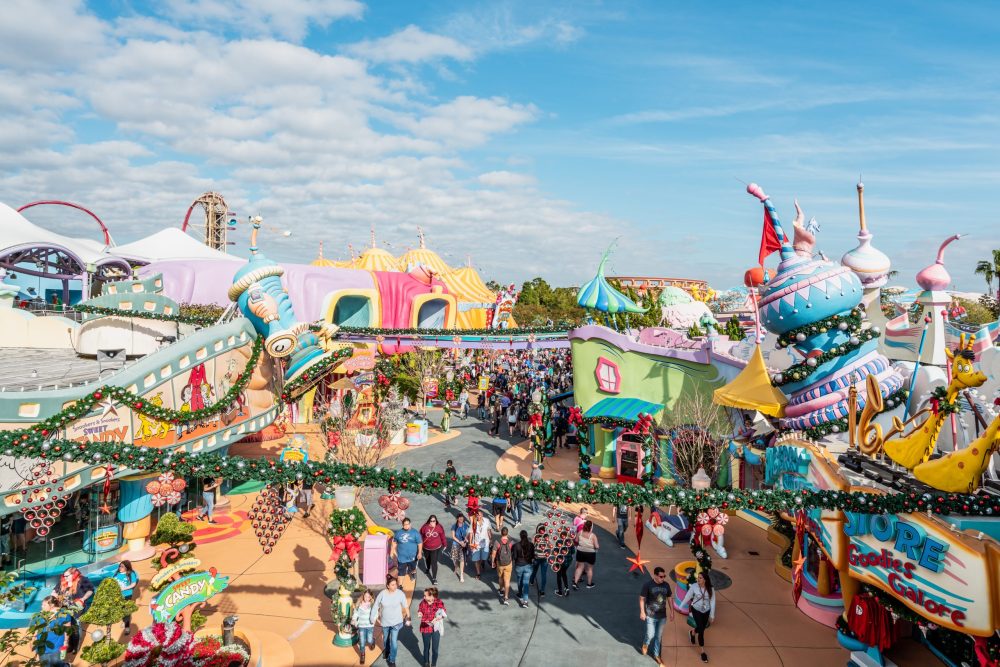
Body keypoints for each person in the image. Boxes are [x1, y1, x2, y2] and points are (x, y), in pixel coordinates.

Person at [371, 576, 410, 667]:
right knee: (385, 639)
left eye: (395, 584)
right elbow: (376, 605)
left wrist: (409, 617)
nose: (395, 586)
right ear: (388, 586)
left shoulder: (400, 594)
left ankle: (392, 660)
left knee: (394, 642)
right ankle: (387, 651)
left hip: (396, 622)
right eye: (392, 585)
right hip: (385, 622)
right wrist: (372, 617)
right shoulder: (382, 594)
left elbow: (406, 606)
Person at [640, 567, 675, 665]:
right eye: (661, 576)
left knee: (658, 637)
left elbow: (669, 598)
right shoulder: (648, 585)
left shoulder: (666, 585)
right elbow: (642, 598)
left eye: (664, 576)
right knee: (650, 634)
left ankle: (656, 655)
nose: (663, 578)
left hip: (662, 616)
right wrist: (642, 612)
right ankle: (646, 644)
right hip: (651, 615)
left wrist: (672, 611)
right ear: (655, 575)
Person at [681, 571, 716, 663]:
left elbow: (712, 601)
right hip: (696, 609)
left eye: (700, 578)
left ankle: (692, 632)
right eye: (698, 577)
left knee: (702, 628)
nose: (698, 579)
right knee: (701, 630)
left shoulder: (711, 588)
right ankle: (702, 652)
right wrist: (681, 606)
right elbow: (688, 596)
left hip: (706, 611)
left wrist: (712, 615)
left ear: (705, 580)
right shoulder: (694, 586)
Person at [35, 596, 72, 666]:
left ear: (52, 605)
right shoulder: (40, 615)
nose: (42, 607)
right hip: (42, 646)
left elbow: (67, 629)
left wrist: (66, 642)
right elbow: (36, 630)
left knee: (57, 664)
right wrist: (34, 644)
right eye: (42, 605)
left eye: (44, 605)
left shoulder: (63, 614)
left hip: (57, 646)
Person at [417, 587, 447, 667]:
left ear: (431, 596)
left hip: (436, 629)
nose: (423, 597)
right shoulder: (423, 602)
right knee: (426, 648)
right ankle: (426, 663)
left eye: (425, 595)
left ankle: (433, 664)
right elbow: (420, 610)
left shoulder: (439, 603)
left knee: (435, 649)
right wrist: (420, 613)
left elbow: (444, 614)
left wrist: (437, 618)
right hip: (425, 628)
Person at [112, 560, 138, 635]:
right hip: (117, 595)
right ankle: (124, 621)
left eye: (122, 566)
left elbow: (133, 584)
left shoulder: (131, 573)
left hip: (127, 594)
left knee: (126, 611)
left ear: (127, 567)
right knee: (121, 609)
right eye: (119, 566)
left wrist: (124, 588)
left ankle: (127, 627)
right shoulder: (116, 573)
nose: (120, 568)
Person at [419, 515, 447, 585]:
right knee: (427, 559)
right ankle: (428, 568)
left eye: (434, 521)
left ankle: (434, 578)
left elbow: (442, 536)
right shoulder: (425, 527)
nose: (432, 522)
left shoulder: (439, 527)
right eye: (431, 521)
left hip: (436, 548)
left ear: (436, 521)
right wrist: (420, 545)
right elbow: (420, 535)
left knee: (434, 562)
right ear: (429, 521)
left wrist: (445, 544)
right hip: (426, 548)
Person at [351, 589, 376, 665]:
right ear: (363, 596)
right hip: (361, 625)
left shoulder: (372, 605)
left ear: (371, 597)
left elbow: (375, 613)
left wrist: (374, 619)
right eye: (365, 596)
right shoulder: (359, 604)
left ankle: (372, 641)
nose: (366, 598)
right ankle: (362, 655)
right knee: (362, 642)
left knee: (369, 640)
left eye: (368, 597)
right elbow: (356, 613)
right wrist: (354, 619)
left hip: (369, 626)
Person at [511, 530, 535, 608]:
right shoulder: (531, 545)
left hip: (519, 566)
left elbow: (514, 557)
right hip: (528, 566)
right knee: (526, 583)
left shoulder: (516, 545)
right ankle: (525, 601)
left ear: (520, 536)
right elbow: (533, 556)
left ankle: (520, 593)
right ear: (527, 536)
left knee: (519, 580)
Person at [491, 526, 514, 605]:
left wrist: (493, 562)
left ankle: (501, 590)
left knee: (500, 577)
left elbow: (493, 553)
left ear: (501, 533)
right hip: (508, 563)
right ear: (507, 533)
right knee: (507, 580)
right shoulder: (511, 542)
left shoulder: (497, 542)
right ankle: (506, 597)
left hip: (500, 563)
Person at [572, 520, 599, 590]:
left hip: (580, 551)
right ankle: (589, 584)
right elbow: (597, 546)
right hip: (590, 553)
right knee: (589, 569)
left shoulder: (580, 532)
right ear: (591, 527)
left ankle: (575, 582)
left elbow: (576, 540)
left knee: (580, 567)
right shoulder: (593, 535)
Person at [469, 509, 492, 580]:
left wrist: (491, 539)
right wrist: (470, 543)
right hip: (476, 543)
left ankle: (482, 562)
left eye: (479, 515)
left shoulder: (487, 521)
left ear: (482, 515)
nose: (478, 516)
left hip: (485, 543)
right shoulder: (473, 522)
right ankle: (478, 573)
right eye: (477, 515)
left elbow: (489, 530)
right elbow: (471, 533)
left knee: (484, 557)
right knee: (476, 559)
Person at [529, 525, 549, 599]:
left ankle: (531, 581)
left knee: (534, 570)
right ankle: (542, 591)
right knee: (543, 575)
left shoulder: (535, 536)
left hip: (536, 557)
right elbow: (550, 546)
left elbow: (531, 546)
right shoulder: (547, 536)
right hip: (544, 558)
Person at [449, 514, 469, 582]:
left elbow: (467, 534)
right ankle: (456, 566)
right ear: (457, 518)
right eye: (460, 518)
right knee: (455, 558)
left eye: (462, 518)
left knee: (462, 560)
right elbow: (453, 537)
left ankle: (461, 575)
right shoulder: (454, 526)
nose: (461, 519)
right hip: (456, 544)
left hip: (463, 544)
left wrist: (465, 540)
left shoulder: (465, 525)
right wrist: (460, 542)